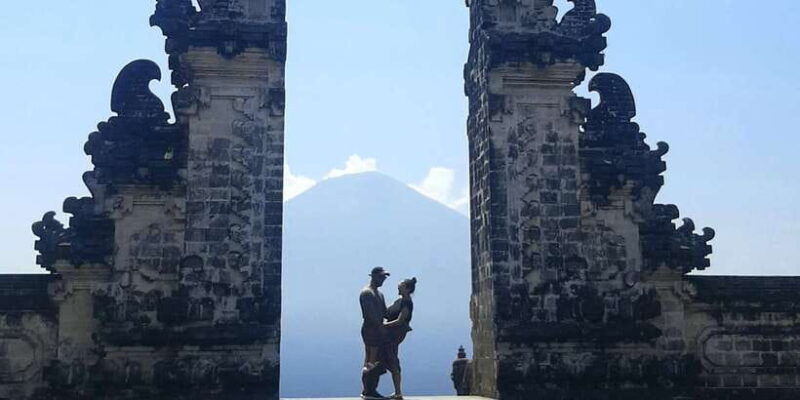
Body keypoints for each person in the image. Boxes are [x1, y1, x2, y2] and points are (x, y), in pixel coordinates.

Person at [382, 277, 417, 400]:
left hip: (394, 335)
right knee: (391, 358)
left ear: (407, 289)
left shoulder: (407, 303)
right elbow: (387, 313)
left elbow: (400, 320)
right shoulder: (399, 301)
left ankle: (398, 392)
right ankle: (397, 391)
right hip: (389, 334)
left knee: (392, 359)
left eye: (401, 285)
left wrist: (384, 325)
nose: (398, 286)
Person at [360, 267, 390, 400]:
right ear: (373, 276)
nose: (383, 280)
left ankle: (372, 389)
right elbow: (369, 314)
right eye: (381, 277)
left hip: (378, 330)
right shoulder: (367, 293)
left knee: (377, 361)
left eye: (384, 277)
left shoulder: (380, 294)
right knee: (371, 361)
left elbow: (384, 312)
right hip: (370, 330)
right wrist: (380, 327)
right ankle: (368, 390)